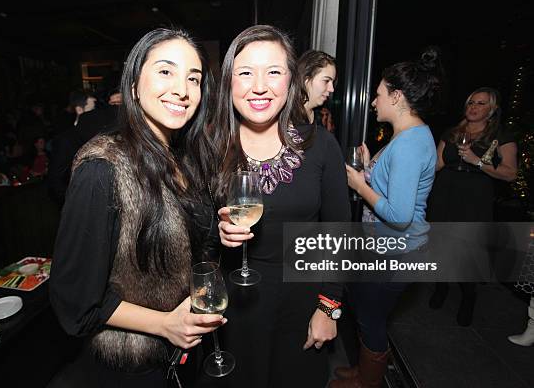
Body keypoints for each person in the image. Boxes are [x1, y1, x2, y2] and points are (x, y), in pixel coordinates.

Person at [49, 28, 223, 387]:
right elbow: (74, 303)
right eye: (165, 71)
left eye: (194, 78)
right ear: (132, 85)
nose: (182, 89)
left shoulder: (186, 157)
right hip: (134, 367)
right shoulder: (102, 169)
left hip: (185, 354)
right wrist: (165, 325)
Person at [213, 25, 350, 388]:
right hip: (233, 306)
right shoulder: (207, 147)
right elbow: (186, 233)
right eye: (245, 73)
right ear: (229, 82)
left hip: (303, 301)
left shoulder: (321, 146)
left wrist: (329, 308)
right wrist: (216, 231)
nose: (260, 86)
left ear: (292, 80)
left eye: (273, 71)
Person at [333, 48, 443, 388]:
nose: (372, 102)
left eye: (378, 95)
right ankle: (366, 370)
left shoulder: (410, 143)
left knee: (370, 318)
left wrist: (356, 184)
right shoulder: (406, 136)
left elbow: (398, 213)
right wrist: (368, 170)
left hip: (397, 251)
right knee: (364, 308)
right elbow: (392, 189)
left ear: (396, 96)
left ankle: (368, 381)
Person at [427, 87, 518, 326]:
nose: (473, 107)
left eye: (480, 103)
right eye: (470, 103)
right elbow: (437, 164)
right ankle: (441, 288)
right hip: (444, 194)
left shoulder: (500, 136)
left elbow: (510, 173)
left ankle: (469, 297)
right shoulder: (453, 132)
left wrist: (478, 162)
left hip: (474, 199)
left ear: (492, 110)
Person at [297, 50, 337, 125]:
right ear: (306, 79)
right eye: (326, 81)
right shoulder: (283, 118)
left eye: (332, 82)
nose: (332, 89)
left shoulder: (322, 118)